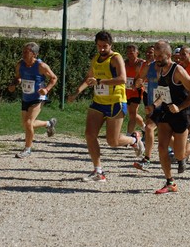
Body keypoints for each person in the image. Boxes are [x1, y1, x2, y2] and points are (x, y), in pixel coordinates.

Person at [68, 31, 145, 182]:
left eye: (105, 46)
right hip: (98, 102)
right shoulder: (96, 58)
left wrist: (100, 81)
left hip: (115, 102)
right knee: (90, 134)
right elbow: (89, 78)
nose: (102, 49)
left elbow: (122, 79)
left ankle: (134, 140)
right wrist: (77, 92)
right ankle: (98, 171)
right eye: (99, 46)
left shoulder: (115, 58)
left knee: (113, 141)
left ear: (111, 45)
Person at [152, 41, 190, 193]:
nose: (157, 59)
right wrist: (154, 104)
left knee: (180, 154)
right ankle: (170, 181)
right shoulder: (159, 69)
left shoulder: (178, 70)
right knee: (162, 147)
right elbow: (162, 92)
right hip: (166, 113)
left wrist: (180, 107)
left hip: (181, 114)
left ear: (168, 55)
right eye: (155, 56)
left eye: (159, 56)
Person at [7, 42, 58, 159]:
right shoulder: (20, 65)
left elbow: (54, 78)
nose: (23, 54)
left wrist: (46, 89)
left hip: (38, 97)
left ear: (34, 54)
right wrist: (13, 84)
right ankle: (48, 123)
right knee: (26, 125)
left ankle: (27, 149)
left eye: (26, 52)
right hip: (26, 97)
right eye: (23, 51)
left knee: (29, 123)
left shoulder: (41, 66)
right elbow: (18, 77)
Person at [133, 45, 158, 170]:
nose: (149, 54)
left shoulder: (166, 67)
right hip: (150, 99)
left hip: (164, 102)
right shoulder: (147, 66)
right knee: (151, 126)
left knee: (153, 127)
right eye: (147, 52)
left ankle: (180, 152)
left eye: (151, 52)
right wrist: (138, 83)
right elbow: (139, 79)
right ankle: (180, 152)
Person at [124, 44, 145, 135]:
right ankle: (144, 128)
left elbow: (144, 76)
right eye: (128, 53)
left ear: (137, 53)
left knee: (132, 114)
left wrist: (138, 83)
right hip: (126, 91)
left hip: (136, 91)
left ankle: (129, 135)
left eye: (132, 53)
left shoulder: (141, 63)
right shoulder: (124, 63)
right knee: (132, 114)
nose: (129, 55)